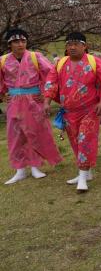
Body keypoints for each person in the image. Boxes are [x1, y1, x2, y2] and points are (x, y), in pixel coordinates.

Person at [43, 32, 101, 192]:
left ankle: (82, 177)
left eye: (76, 44)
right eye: (69, 44)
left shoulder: (95, 62)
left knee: (85, 140)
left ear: (85, 46)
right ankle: (86, 172)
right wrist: (47, 102)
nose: (73, 47)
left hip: (90, 110)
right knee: (75, 142)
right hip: (69, 111)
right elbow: (51, 83)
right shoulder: (60, 64)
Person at [0, 29, 62, 184]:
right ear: (10, 44)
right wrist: (2, 95)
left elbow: (51, 74)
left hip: (34, 102)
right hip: (14, 102)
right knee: (15, 135)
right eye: (16, 41)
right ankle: (20, 170)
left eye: (23, 41)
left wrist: (45, 92)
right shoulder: (2, 61)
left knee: (35, 133)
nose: (20, 44)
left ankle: (35, 166)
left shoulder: (36, 57)